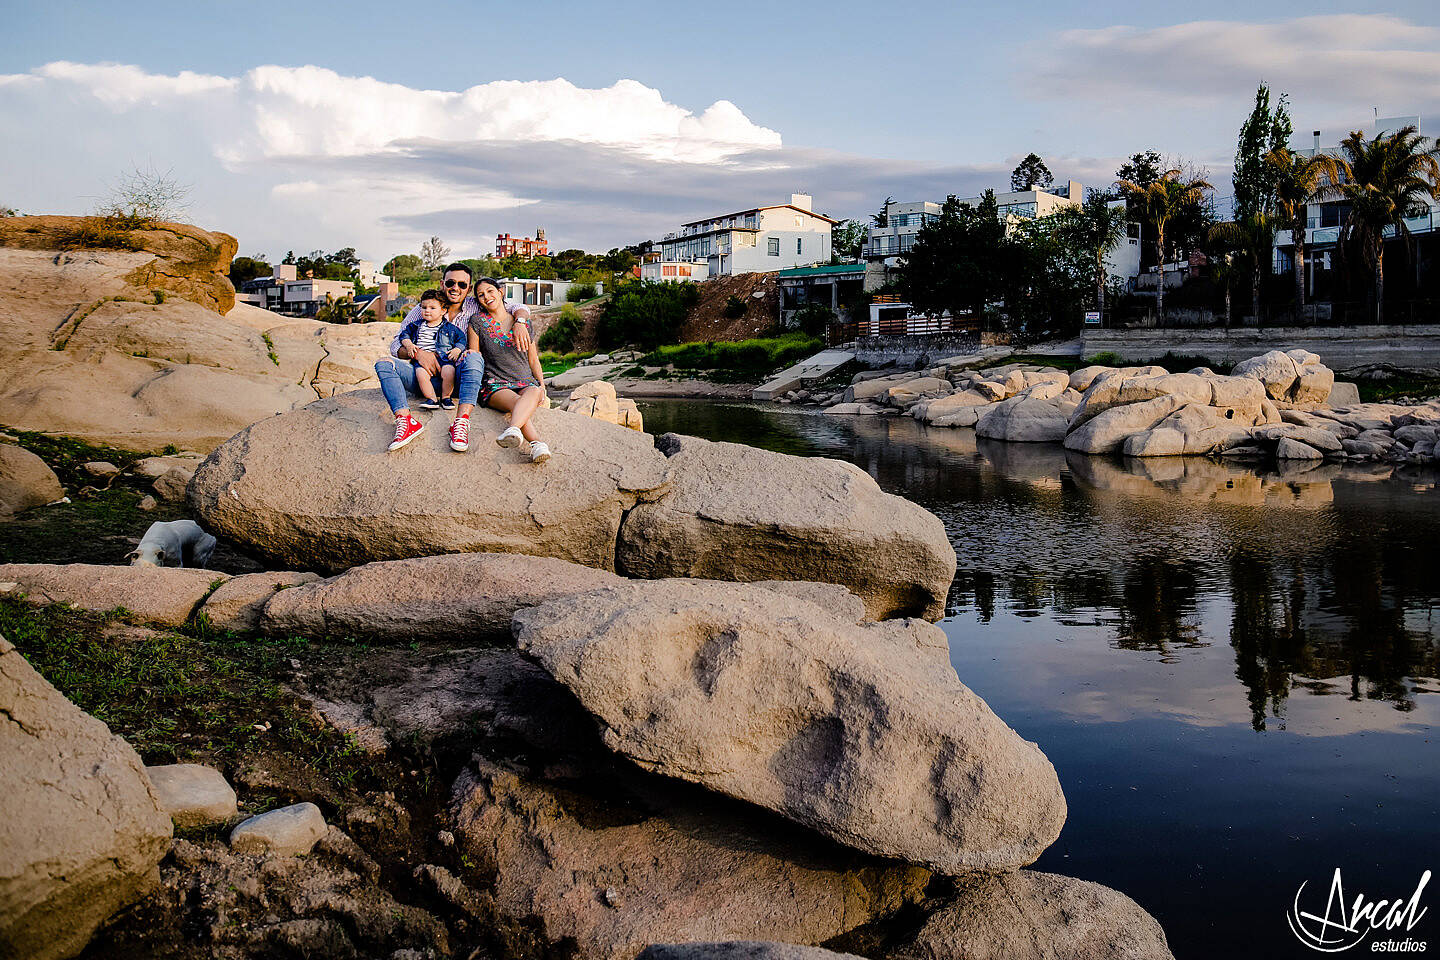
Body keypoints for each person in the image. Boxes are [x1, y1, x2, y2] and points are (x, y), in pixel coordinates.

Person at [374, 262, 535, 452]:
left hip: (460, 380)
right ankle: (405, 421)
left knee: (473, 357)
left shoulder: (476, 306)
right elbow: (395, 345)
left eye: (462, 284)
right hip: (422, 377)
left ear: (468, 288)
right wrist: (419, 354)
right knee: (383, 364)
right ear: (442, 284)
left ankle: (461, 423)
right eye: (450, 283)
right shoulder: (424, 308)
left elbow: (516, 306)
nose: (455, 288)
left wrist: (520, 321)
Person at [467, 276, 551, 462]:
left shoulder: (523, 322)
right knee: (517, 403)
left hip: (525, 380)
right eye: (481, 295)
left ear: (500, 292)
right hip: (495, 383)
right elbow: (474, 355)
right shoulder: (477, 322)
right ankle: (536, 442)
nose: (486, 297)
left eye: (490, 291)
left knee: (534, 391)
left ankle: (516, 431)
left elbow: (533, 359)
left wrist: (542, 385)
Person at [396, 289, 466, 413]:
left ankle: (446, 397)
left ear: (443, 311)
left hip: (444, 358)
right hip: (421, 360)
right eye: (424, 307)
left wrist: (457, 349)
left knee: (449, 372)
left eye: (432, 308)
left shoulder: (450, 328)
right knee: (421, 375)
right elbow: (404, 335)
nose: (427, 310)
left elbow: (461, 339)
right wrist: (409, 345)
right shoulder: (416, 325)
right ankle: (432, 399)